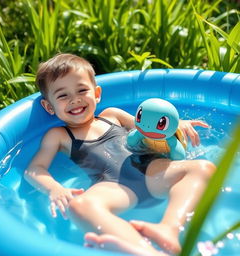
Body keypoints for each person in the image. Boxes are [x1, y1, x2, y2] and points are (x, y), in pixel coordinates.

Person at [24, 53, 216, 256]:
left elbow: (150, 128)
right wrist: (54, 188)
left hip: (152, 172)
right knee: (80, 206)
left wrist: (175, 126)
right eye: (63, 95)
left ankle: (168, 229)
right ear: (48, 106)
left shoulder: (112, 115)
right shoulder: (59, 135)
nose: (75, 99)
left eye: (82, 90)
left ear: (97, 93)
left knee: (203, 168)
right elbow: (35, 169)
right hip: (114, 187)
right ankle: (148, 252)